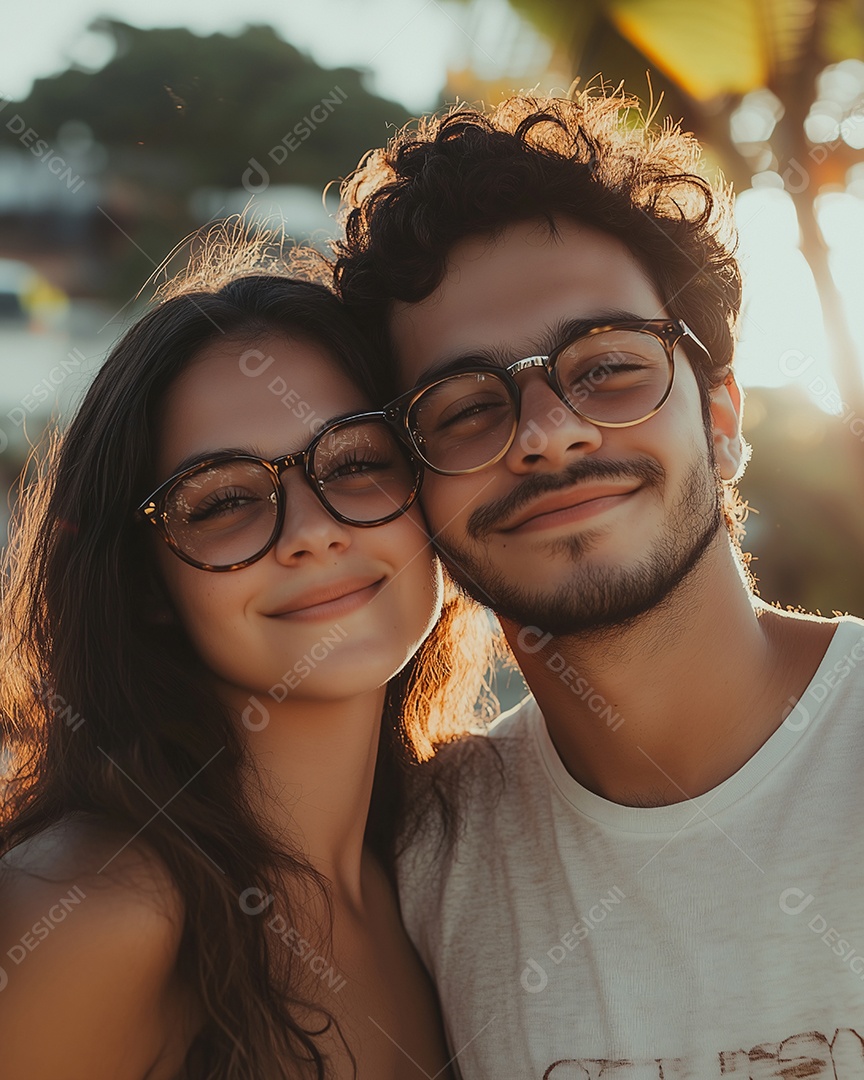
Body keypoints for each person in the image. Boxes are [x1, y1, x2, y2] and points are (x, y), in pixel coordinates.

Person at [333, 91, 864, 1076]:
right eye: (463, 408)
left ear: (722, 417)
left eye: (609, 367)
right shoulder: (416, 865)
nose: (547, 434)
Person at [0, 244, 493, 1079]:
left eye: (356, 462)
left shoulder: (444, 863)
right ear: (146, 583)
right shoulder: (98, 909)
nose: (311, 531)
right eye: (224, 499)